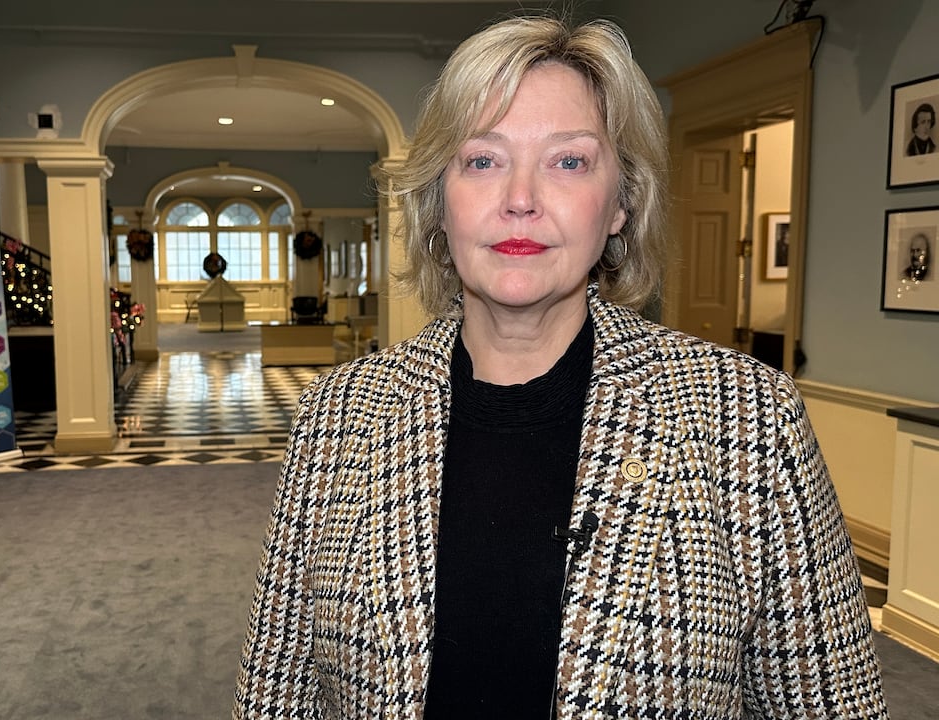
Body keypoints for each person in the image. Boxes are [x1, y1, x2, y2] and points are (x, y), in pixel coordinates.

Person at [234, 14, 887, 719]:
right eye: (482, 160)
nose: (521, 198)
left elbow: (832, 704)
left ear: (621, 204)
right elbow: (277, 695)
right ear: (437, 204)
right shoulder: (339, 413)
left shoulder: (749, 417)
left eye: (568, 161)